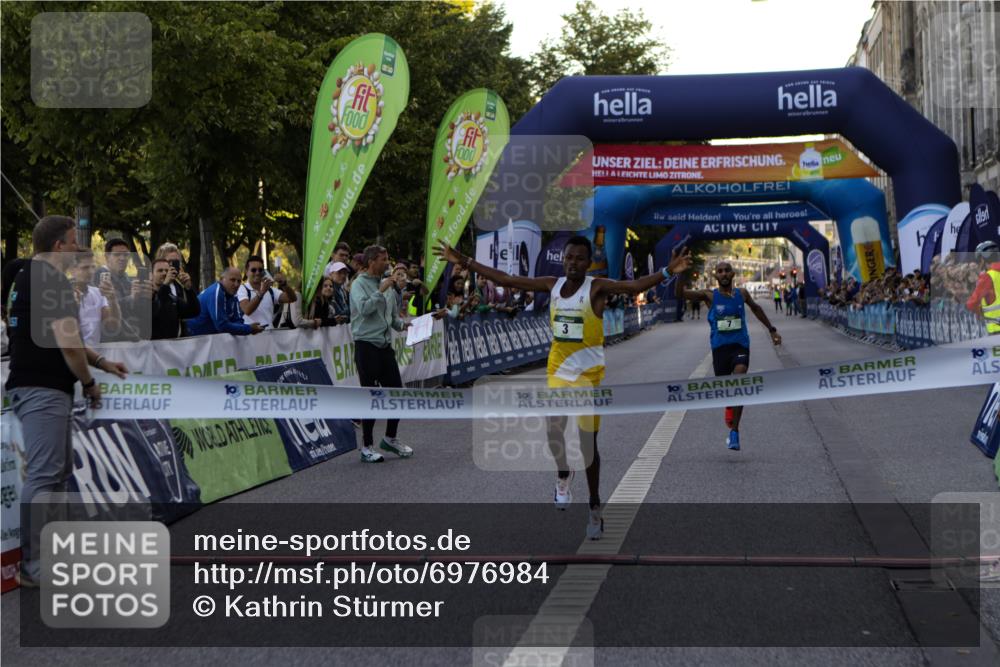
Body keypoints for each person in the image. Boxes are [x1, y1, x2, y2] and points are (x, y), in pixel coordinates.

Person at [435, 237, 692, 540]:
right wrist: (464, 261)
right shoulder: (551, 284)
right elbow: (506, 278)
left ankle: (594, 504)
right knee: (554, 430)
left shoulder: (596, 287)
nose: (573, 263)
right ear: (564, 259)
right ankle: (562, 474)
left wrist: (667, 271)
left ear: (588, 263)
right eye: (569, 257)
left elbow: (634, 288)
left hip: (588, 377)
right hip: (558, 370)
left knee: (587, 447)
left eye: (580, 259)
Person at [5, 216, 128, 586]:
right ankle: (33, 566)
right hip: (42, 389)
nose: (80, 248)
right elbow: (69, 344)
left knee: (57, 474)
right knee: (45, 474)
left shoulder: (21, 273)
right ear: (59, 246)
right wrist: (90, 382)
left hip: (41, 387)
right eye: (75, 242)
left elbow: (65, 338)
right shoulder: (52, 280)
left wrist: (103, 361)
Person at [676, 260, 781, 451]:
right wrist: (680, 274)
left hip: (740, 345)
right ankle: (729, 406)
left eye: (727, 271)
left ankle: (735, 432)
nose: (723, 274)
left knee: (739, 381)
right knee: (726, 390)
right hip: (720, 349)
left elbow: (756, 309)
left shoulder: (742, 294)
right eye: (720, 271)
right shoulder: (709, 296)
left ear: (733, 274)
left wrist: (772, 330)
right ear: (716, 276)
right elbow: (679, 294)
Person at [350, 246, 412, 462]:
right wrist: (381, 290)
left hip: (385, 347)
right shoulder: (359, 284)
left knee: (397, 394)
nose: (388, 264)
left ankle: (390, 438)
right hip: (366, 346)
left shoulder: (386, 284)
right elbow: (364, 309)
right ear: (371, 262)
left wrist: (409, 326)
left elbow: (393, 318)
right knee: (371, 396)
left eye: (387, 259)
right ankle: (367, 446)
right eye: (384, 259)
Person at [94, 237, 152, 341]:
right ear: (107, 256)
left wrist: (147, 298)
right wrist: (131, 298)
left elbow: (137, 313)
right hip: (110, 343)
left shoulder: (129, 281)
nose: (122, 258)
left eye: (126, 255)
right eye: (117, 254)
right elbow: (104, 310)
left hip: (132, 341)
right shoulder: (99, 277)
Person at [186, 267, 265, 336]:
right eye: (232, 280)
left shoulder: (233, 293)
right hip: (193, 339)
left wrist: (248, 328)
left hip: (208, 340)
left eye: (239, 281)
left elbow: (238, 320)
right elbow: (221, 325)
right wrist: (249, 329)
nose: (236, 284)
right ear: (221, 279)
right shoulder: (216, 292)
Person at [71, 249, 120, 346]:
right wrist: (74, 307)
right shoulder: (62, 294)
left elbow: (112, 326)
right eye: (85, 267)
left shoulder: (97, 293)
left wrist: (112, 300)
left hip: (94, 357)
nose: (91, 271)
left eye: (93, 267)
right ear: (72, 270)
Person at [237, 255, 296, 328]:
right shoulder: (242, 288)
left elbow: (292, 298)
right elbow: (247, 310)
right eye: (253, 270)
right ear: (246, 272)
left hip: (269, 336)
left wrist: (284, 284)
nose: (257, 273)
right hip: (250, 337)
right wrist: (261, 293)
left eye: (260, 270)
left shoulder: (270, 290)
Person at [149, 258, 200, 339]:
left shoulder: (173, 299)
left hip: (173, 349)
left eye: (167, 270)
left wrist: (188, 289)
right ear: (150, 275)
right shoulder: (144, 298)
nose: (164, 273)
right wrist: (165, 285)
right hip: (151, 349)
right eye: (160, 270)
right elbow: (155, 309)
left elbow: (194, 311)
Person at [966, 241, 1000, 334]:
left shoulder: (987, 277)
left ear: (982, 259)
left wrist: (979, 311)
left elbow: (972, 303)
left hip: (996, 329)